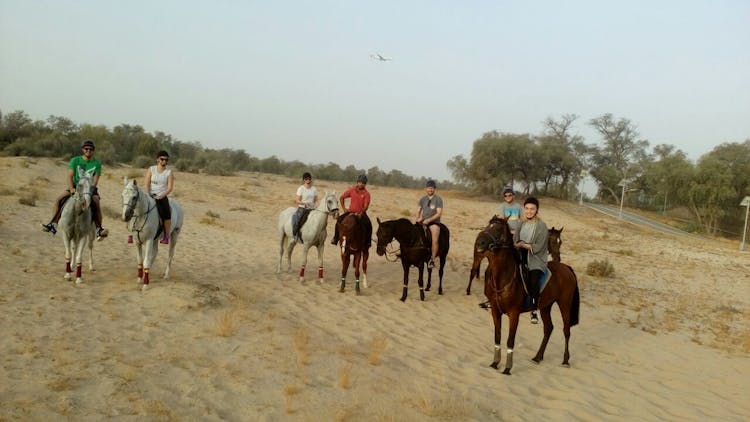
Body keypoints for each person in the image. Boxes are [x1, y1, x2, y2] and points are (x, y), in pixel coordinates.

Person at [42, 139, 109, 240]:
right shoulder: (75, 160)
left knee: (96, 202)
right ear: (82, 149)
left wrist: (90, 191)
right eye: (86, 149)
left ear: (93, 150)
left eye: (91, 149)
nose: (88, 151)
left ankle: (99, 229)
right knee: (59, 199)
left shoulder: (97, 163)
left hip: (89, 188)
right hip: (75, 186)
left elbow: (95, 181)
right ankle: (53, 224)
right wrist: (72, 188)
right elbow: (69, 176)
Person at [514, 196, 549, 324]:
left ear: (537, 210)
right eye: (527, 208)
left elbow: (539, 247)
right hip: (520, 255)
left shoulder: (541, 226)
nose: (529, 211)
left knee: (533, 279)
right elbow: (514, 241)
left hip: (536, 258)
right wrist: (518, 245)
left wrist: (523, 244)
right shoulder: (520, 223)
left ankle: (534, 309)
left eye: (532, 209)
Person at [331, 174, 372, 246]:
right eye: (360, 182)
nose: (361, 184)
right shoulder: (352, 190)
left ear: (365, 184)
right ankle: (335, 238)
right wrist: (344, 208)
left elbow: (366, 206)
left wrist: (361, 213)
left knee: (369, 225)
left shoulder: (366, 194)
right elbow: (342, 197)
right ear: (357, 182)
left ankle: (368, 242)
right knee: (339, 220)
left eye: (363, 183)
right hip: (350, 212)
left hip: (361, 213)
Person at [144, 150, 174, 244]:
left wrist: (161, 196)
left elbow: (169, 188)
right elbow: (147, 183)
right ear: (158, 159)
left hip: (161, 196)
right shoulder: (151, 169)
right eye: (162, 159)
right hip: (150, 194)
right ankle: (132, 233)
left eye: (166, 160)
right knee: (135, 207)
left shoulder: (169, 172)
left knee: (166, 214)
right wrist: (149, 193)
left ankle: (166, 236)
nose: (164, 161)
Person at [416, 179, 443, 269]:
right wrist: (417, 218)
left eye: (431, 188)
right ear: (426, 189)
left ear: (434, 189)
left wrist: (429, 220)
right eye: (428, 188)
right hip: (423, 220)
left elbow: (439, 213)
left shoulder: (438, 199)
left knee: (435, 240)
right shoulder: (423, 199)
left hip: (434, 222)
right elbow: (418, 210)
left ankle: (432, 259)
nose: (430, 190)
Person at [292, 172, 318, 243]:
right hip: (302, 208)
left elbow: (316, 200)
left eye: (309, 179)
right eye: (306, 179)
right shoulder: (301, 188)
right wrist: (304, 203)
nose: (308, 180)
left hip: (311, 209)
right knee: (298, 220)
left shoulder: (314, 189)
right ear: (304, 180)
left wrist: (316, 206)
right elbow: (297, 200)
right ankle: (295, 234)